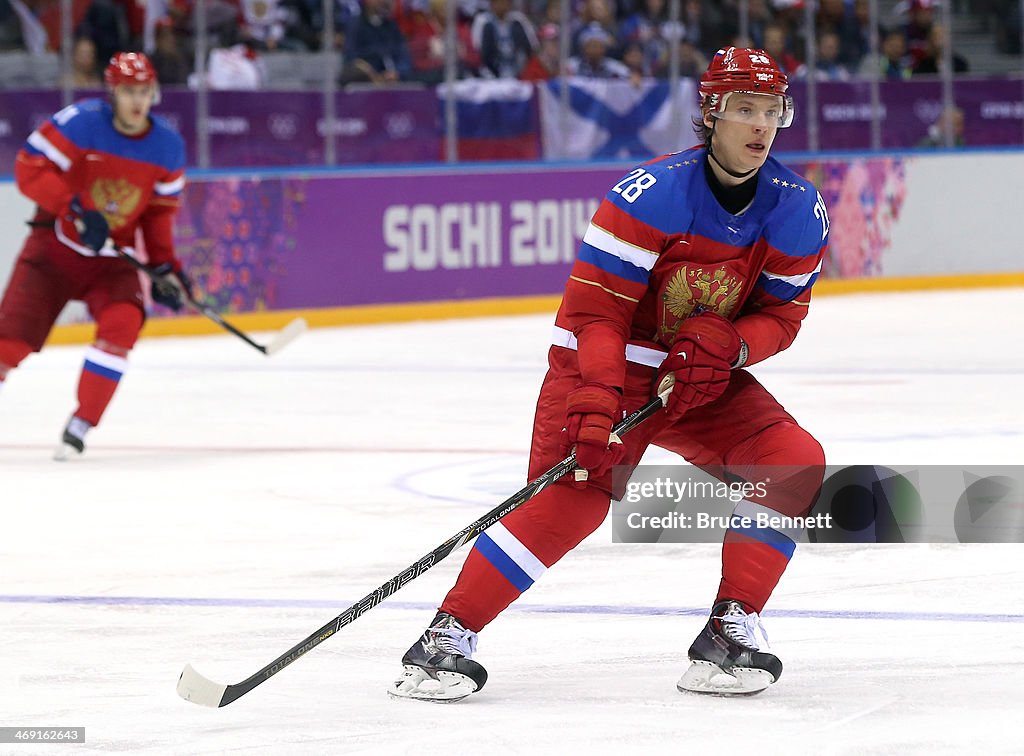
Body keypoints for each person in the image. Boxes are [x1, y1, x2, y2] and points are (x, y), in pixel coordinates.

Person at [389, 46, 828, 702]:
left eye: (772, 111)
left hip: (698, 376)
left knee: (791, 460)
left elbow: (782, 319)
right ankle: (444, 640)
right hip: (607, 365)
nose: (760, 126)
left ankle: (729, 635)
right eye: (744, 109)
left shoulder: (797, 207)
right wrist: (595, 397)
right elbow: (596, 316)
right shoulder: (649, 195)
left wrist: (730, 347)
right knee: (573, 500)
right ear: (710, 113)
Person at [0, 51, 190, 460]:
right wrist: (75, 207)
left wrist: (165, 269)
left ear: (154, 93)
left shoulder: (168, 149)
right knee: (9, 344)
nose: (137, 101)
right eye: (127, 92)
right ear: (112, 93)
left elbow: (157, 217)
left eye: (143, 91)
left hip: (110, 262)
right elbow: (29, 168)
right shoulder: (81, 123)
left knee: (123, 323)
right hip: (52, 252)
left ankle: (81, 423)